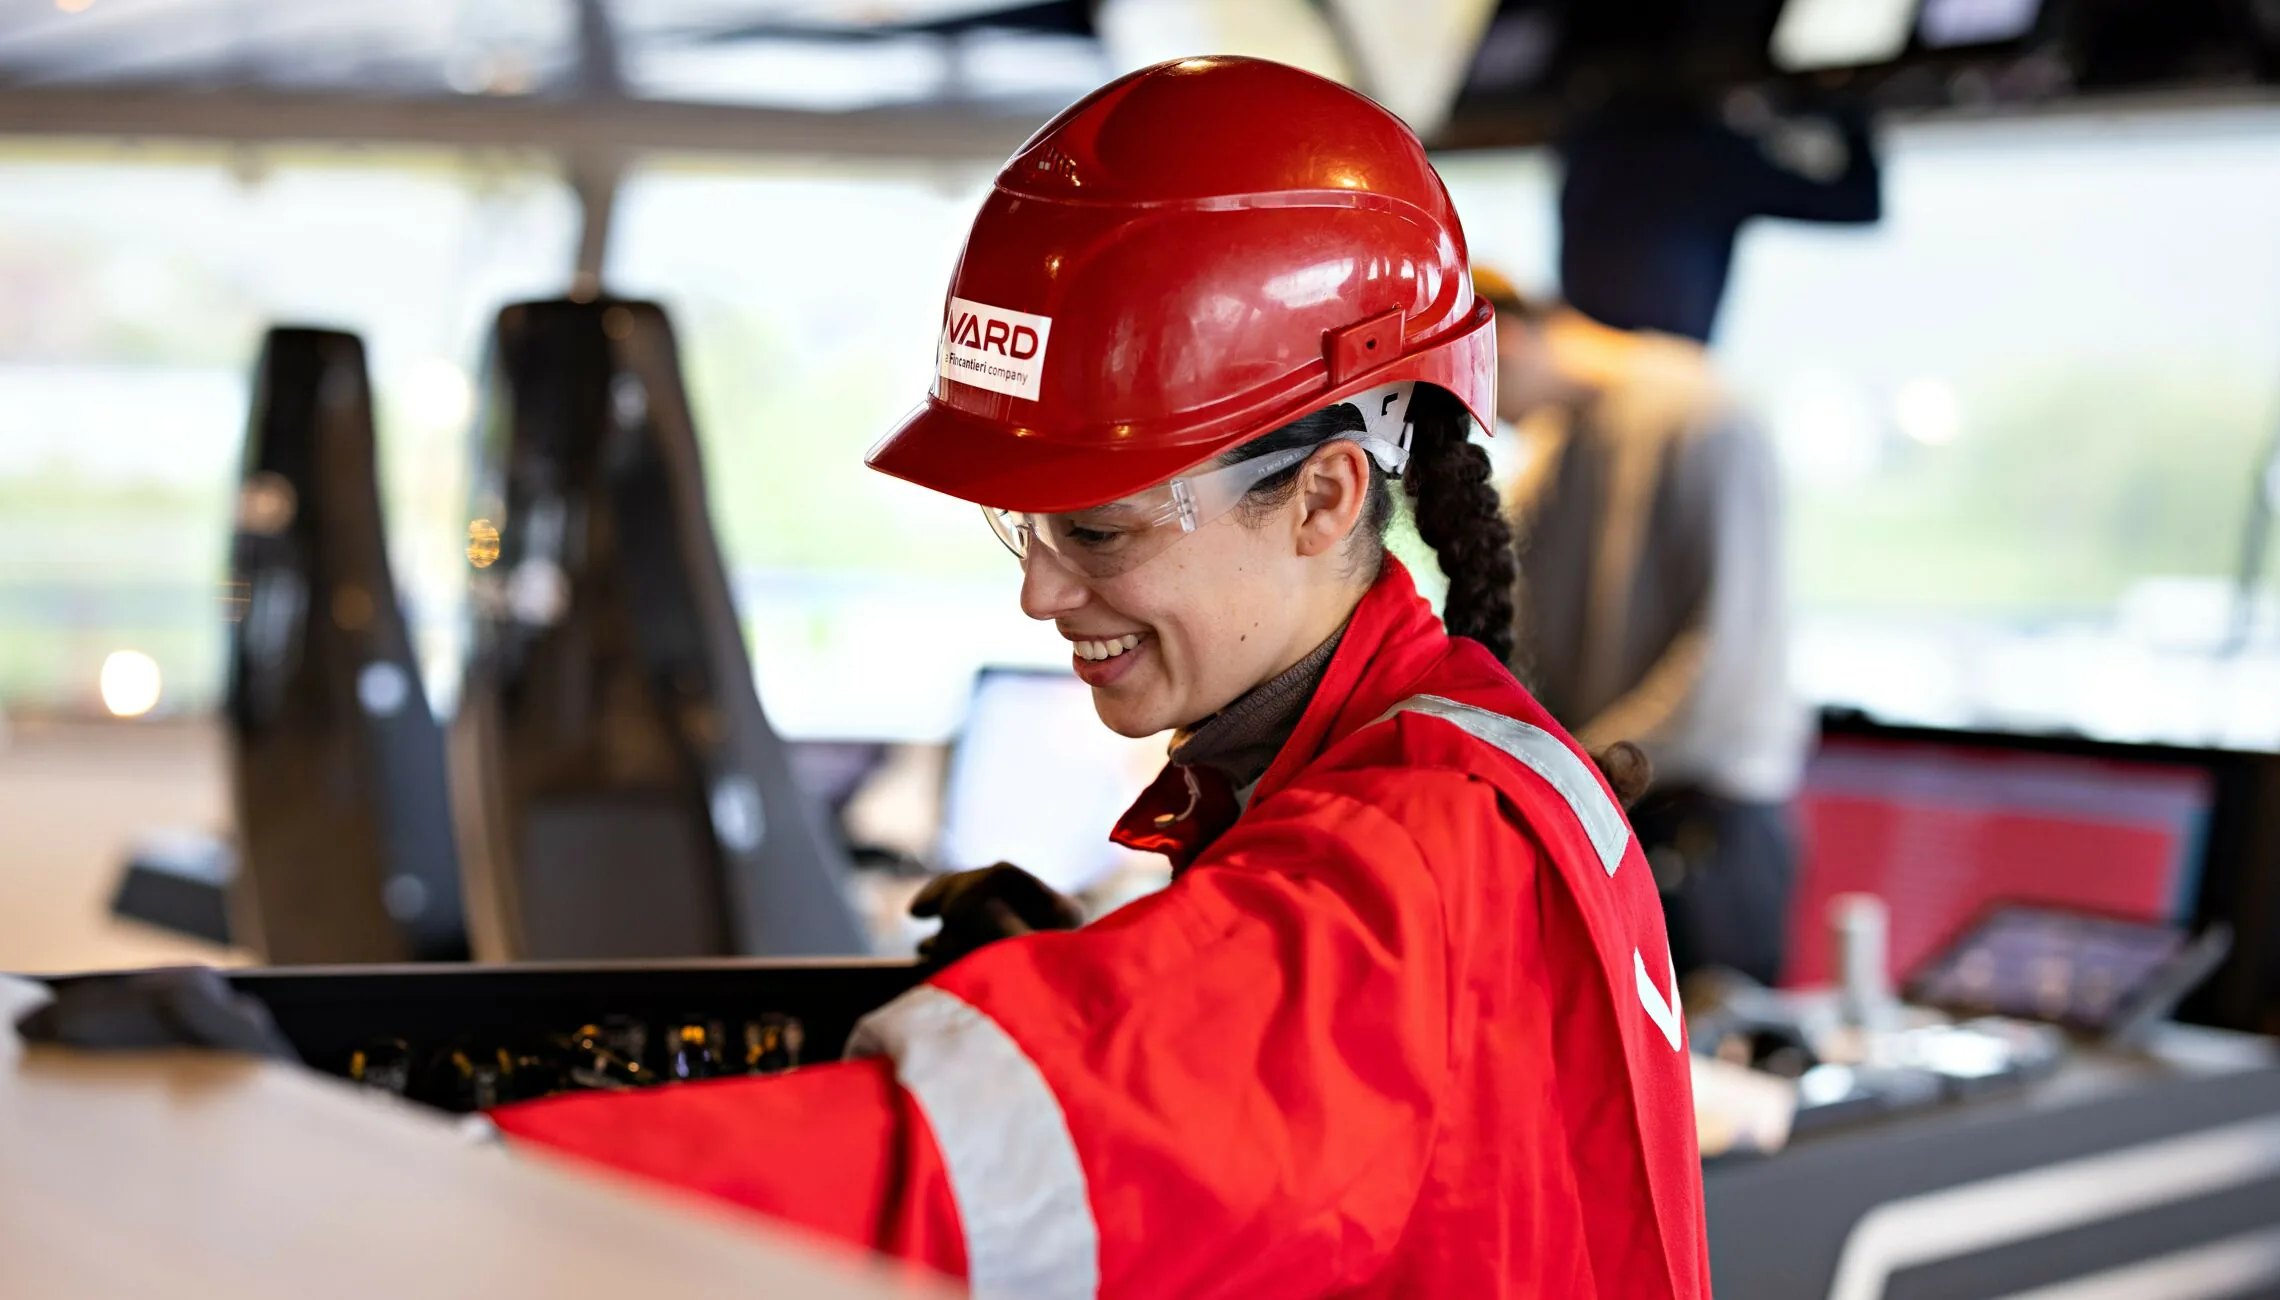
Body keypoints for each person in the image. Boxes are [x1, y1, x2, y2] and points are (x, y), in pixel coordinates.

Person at [489, 57, 1709, 1300]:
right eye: (1026, 527)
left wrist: (438, 1180)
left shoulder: (1404, 860)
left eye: (1103, 532)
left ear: (1325, 495)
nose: (1040, 591)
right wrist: (1128, 972)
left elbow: (931, 1185)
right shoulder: (1429, 776)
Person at [1475, 265, 1808, 987]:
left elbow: (1725, 662)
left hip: (1706, 826)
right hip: (1599, 813)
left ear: (1509, 334)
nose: (1483, 418)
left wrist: (1576, 776)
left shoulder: (1703, 414)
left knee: (1719, 1086)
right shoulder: (1550, 459)